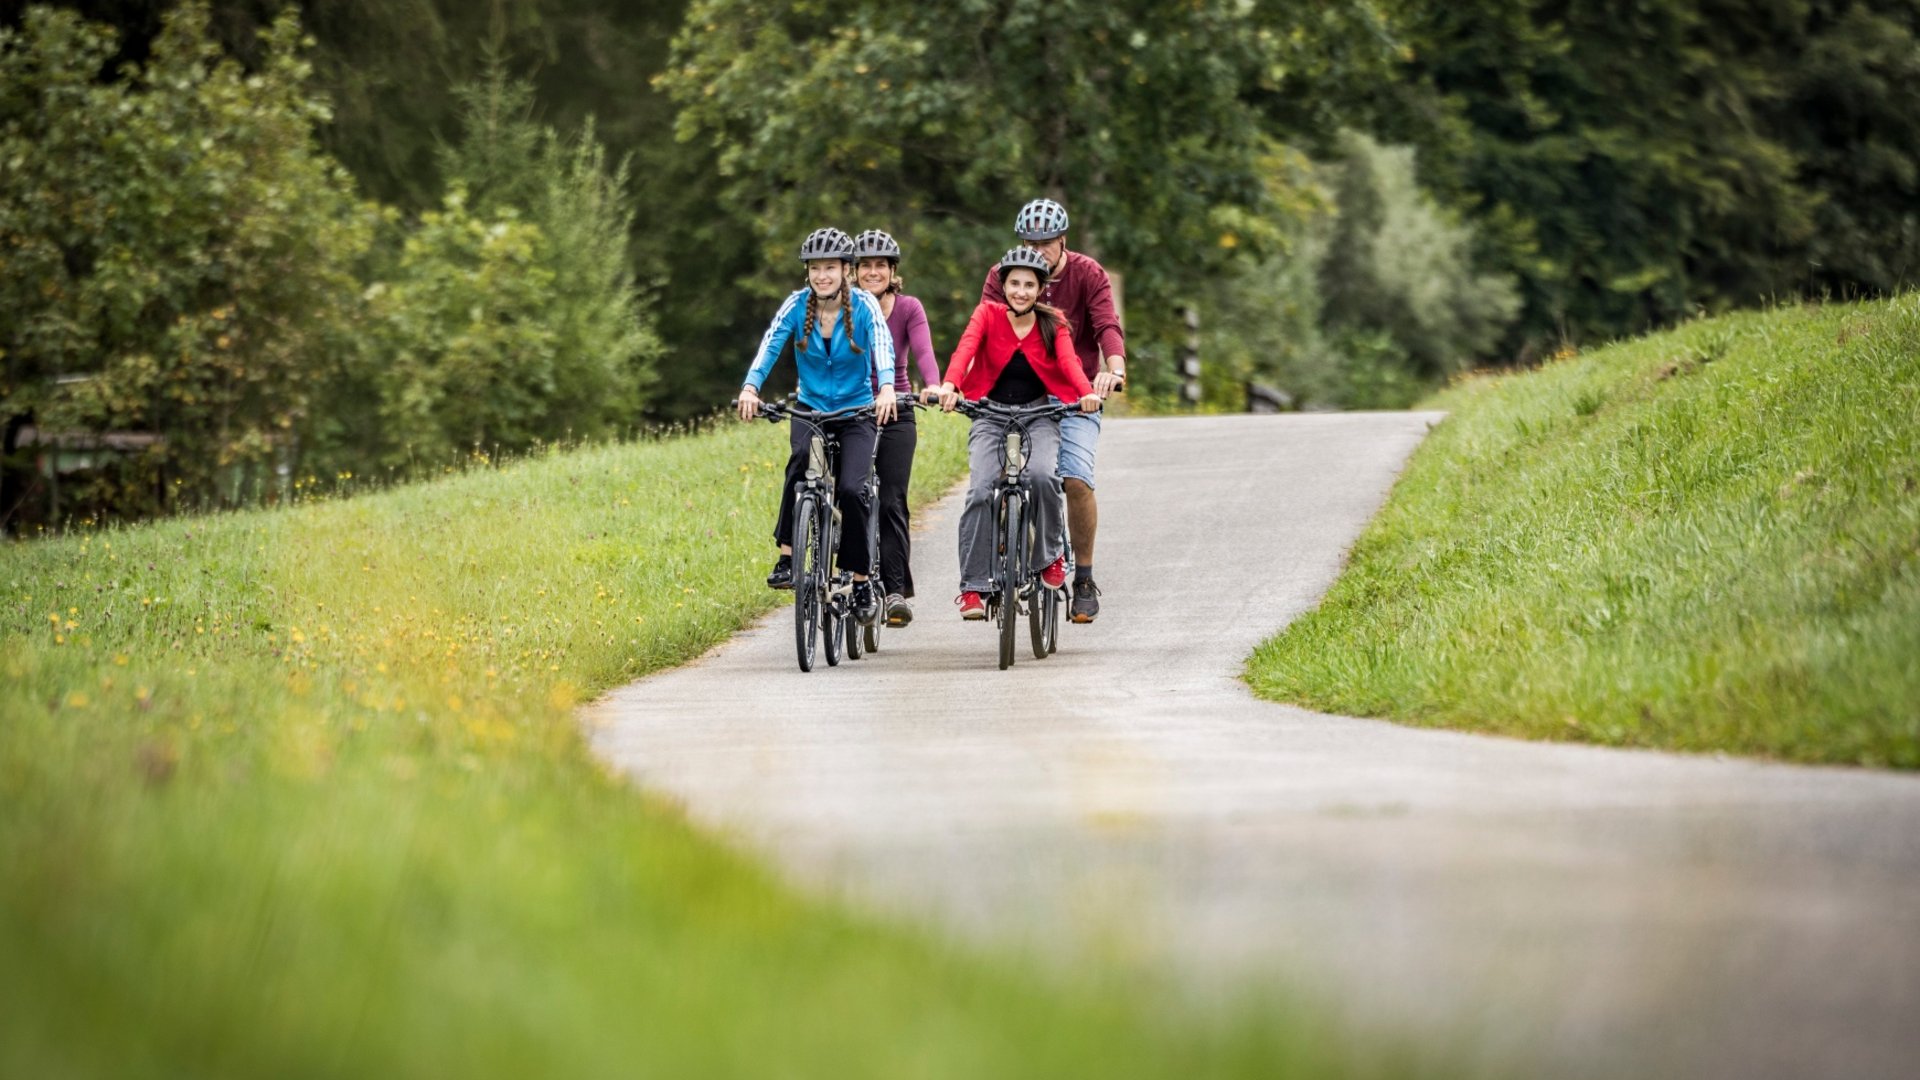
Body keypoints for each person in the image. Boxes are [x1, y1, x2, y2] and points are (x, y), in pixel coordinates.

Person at [737, 227, 897, 623]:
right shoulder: (796, 305)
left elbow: (881, 343)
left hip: (857, 412)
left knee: (852, 489)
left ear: (846, 270)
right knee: (799, 463)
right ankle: (788, 555)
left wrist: (888, 387)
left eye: (830, 267)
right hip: (810, 407)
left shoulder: (863, 305)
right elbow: (771, 344)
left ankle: (860, 580)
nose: (822, 275)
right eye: (815, 268)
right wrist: (750, 387)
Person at [978, 198, 1125, 623]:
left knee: (1074, 478)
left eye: (1046, 243)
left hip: (1076, 393)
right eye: (1030, 242)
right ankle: (1003, 551)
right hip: (1018, 393)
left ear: (1063, 241)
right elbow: (984, 326)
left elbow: (1106, 326)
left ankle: (1082, 577)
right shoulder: (1005, 275)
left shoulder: (1087, 273)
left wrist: (1114, 369)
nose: (1037, 250)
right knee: (1003, 476)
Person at [933, 246, 1100, 620]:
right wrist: (949, 385)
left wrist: (1086, 393)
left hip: (1039, 413)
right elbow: (965, 350)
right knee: (979, 489)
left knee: (1043, 477)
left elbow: (1071, 363)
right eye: (1013, 284)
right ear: (1003, 285)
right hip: (990, 414)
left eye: (1029, 285)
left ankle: (1048, 558)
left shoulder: (1053, 321)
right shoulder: (986, 315)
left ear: (1040, 288)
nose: (1021, 291)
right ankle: (974, 586)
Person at [852, 229, 944, 628]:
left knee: (890, 500)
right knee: (848, 494)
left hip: (898, 409)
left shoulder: (909, 309)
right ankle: (846, 575)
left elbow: (923, 350)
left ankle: (893, 592)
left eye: (881, 266)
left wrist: (934, 385)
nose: (873, 272)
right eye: (866, 266)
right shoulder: (843, 306)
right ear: (854, 272)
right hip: (850, 409)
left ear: (893, 271)